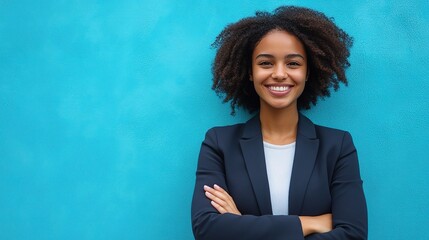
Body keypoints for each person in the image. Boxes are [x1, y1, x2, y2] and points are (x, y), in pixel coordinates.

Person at [191, 6, 367, 240]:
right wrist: (308, 223)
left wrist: (241, 224)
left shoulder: (337, 146)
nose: (280, 74)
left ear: (307, 72)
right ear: (250, 72)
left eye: (293, 63)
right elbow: (208, 229)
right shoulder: (219, 143)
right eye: (265, 63)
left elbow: (353, 235)